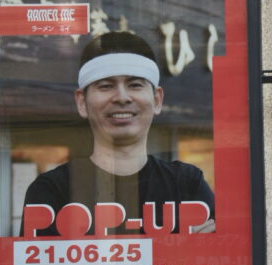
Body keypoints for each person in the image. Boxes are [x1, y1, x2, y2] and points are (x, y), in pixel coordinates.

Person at [21, 32, 215, 237]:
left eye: (135, 85)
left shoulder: (187, 183)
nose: (122, 97)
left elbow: (220, 252)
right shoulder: (52, 190)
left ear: (157, 100)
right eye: (106, 86)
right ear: (82, 102)